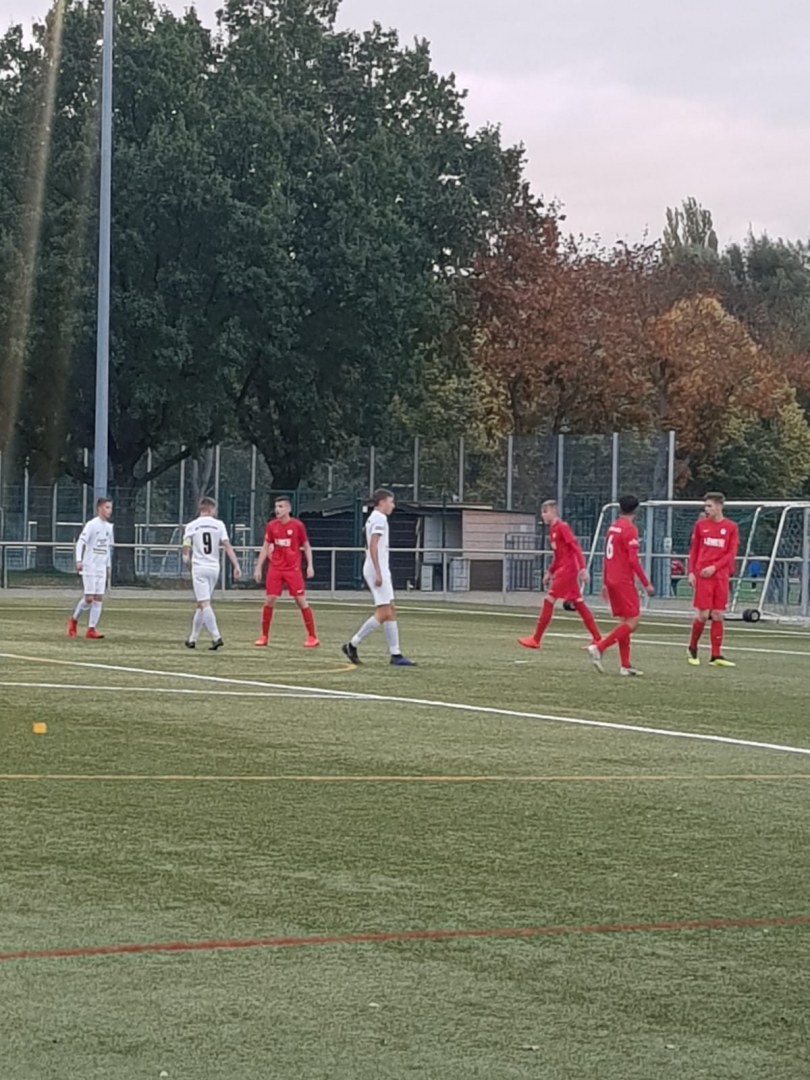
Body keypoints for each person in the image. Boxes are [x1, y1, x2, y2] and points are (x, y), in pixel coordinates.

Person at [342, 488, 415, 666]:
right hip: (377, 568)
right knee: (384, 612)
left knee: (390, 610)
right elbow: (373, 546)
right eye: (391, 502)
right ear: (382, 502)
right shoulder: (379, 518)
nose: (393, 505)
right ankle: (352, 644)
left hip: (379, 567)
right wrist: (378, 571)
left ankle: (395, 654)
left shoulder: (376, 518)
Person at [518, 499, 600, 650]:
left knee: (549, 599)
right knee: (578, 603)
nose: (543, 515)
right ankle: (597, 638)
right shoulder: (553, 530)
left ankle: (536, 639)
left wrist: (582, 568)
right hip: (563, 569)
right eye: (542, 512)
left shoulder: (562, 527)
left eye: (545, 512)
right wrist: (550, 571)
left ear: (554, 511)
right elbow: (558, 555)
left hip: (567, 570)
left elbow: (575, 547)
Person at [587, 495, 655, 675]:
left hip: (611, 578)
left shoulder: (613, 527)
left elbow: (606, 555)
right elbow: (633, 560)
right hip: (623, 579)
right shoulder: (629, 529)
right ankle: (600, 647)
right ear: (636, 509)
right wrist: (646, 583)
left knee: (625, 621)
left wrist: (604, 581)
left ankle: (625, 665)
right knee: (633, 621)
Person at [253, 497, 319, 648]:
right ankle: (264, 636)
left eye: (281, 506)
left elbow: (306, 546)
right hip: (276, 568)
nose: (278, 509)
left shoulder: (297, 525)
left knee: (300, 600)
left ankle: (312, 636)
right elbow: (265, 546)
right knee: (270, 599)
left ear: (288, 509)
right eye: (276, 506)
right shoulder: (271, 526)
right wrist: (258, 567)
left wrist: (310, 565)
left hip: (292, 569)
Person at [687, 492, 739, 667]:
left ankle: (716, 655)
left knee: (718, 614)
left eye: (709, 506)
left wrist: (715, 567)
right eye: (706, 506)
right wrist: (691, 572)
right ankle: (692, 647)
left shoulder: (731, 527)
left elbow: (731, 553)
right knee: (703, 615)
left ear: (719, 506)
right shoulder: (700, 525)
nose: (706, 509)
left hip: (720, 576)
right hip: (703, 575)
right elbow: (694, 550)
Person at [182, 496, 242, 650]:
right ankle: (192, 638)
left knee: (204, 603)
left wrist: (187, 560)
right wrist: (236, 565)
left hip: (199, 567)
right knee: (201, 604)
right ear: (211, 509)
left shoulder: (192, 525)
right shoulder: (219, 525)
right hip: (214, 568)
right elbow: (227, 546)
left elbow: (186, 547)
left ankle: (216, 637)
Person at [67, 497, 114, 640]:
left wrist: (108, 566)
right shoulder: (92, 525)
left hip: (101, 567)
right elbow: (80, 543)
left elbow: (107, 548)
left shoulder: (109, 527)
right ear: (99, 508)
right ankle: (73, 620)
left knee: (98, 598)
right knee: (89, 598)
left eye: (110, 508)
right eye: (107, 507)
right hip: (90, 566)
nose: (109, 511)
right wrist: (79, 560)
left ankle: (91, 629)